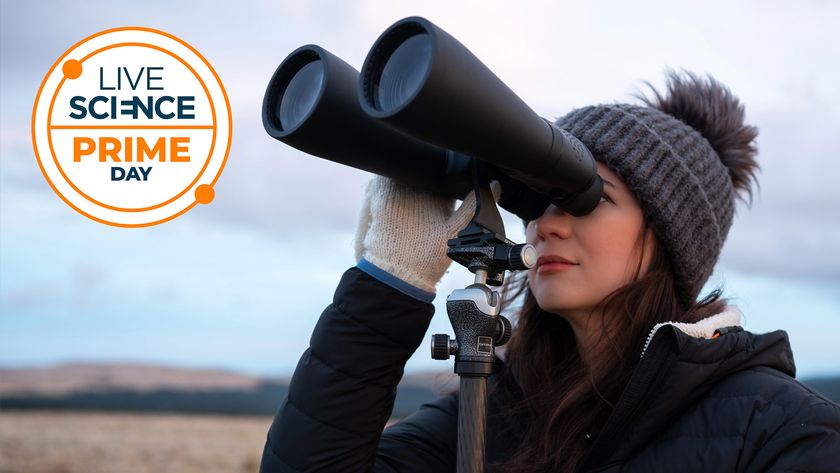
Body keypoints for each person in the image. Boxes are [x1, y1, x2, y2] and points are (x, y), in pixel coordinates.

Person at [258, 70, 840, 473]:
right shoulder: (496, 410)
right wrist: (388, 283)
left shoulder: (781, 431)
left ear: (669, 238)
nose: (545, 224)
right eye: (534, 199)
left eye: (583, 196)